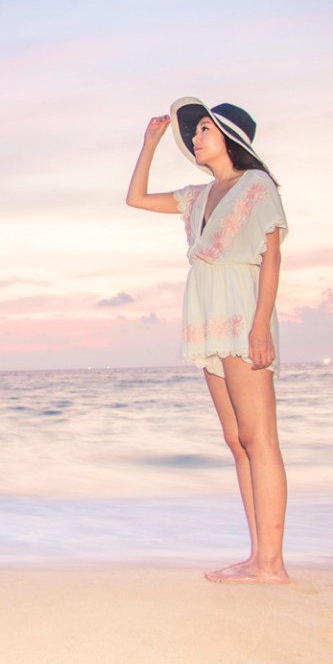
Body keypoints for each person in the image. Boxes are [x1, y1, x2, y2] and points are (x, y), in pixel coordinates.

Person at [125, 97, 290, 583]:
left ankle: (273, 564)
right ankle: (257, 554)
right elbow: (135, 198)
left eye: (203, 130)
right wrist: (149, 143)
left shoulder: (256, 186)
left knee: (260, 439)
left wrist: (260, 325)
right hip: (207, 320)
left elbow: (272, 256)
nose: (195, 139)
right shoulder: (197, 197)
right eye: (193, 132)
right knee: (237, 441)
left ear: (229, 137)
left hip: (242, 315)